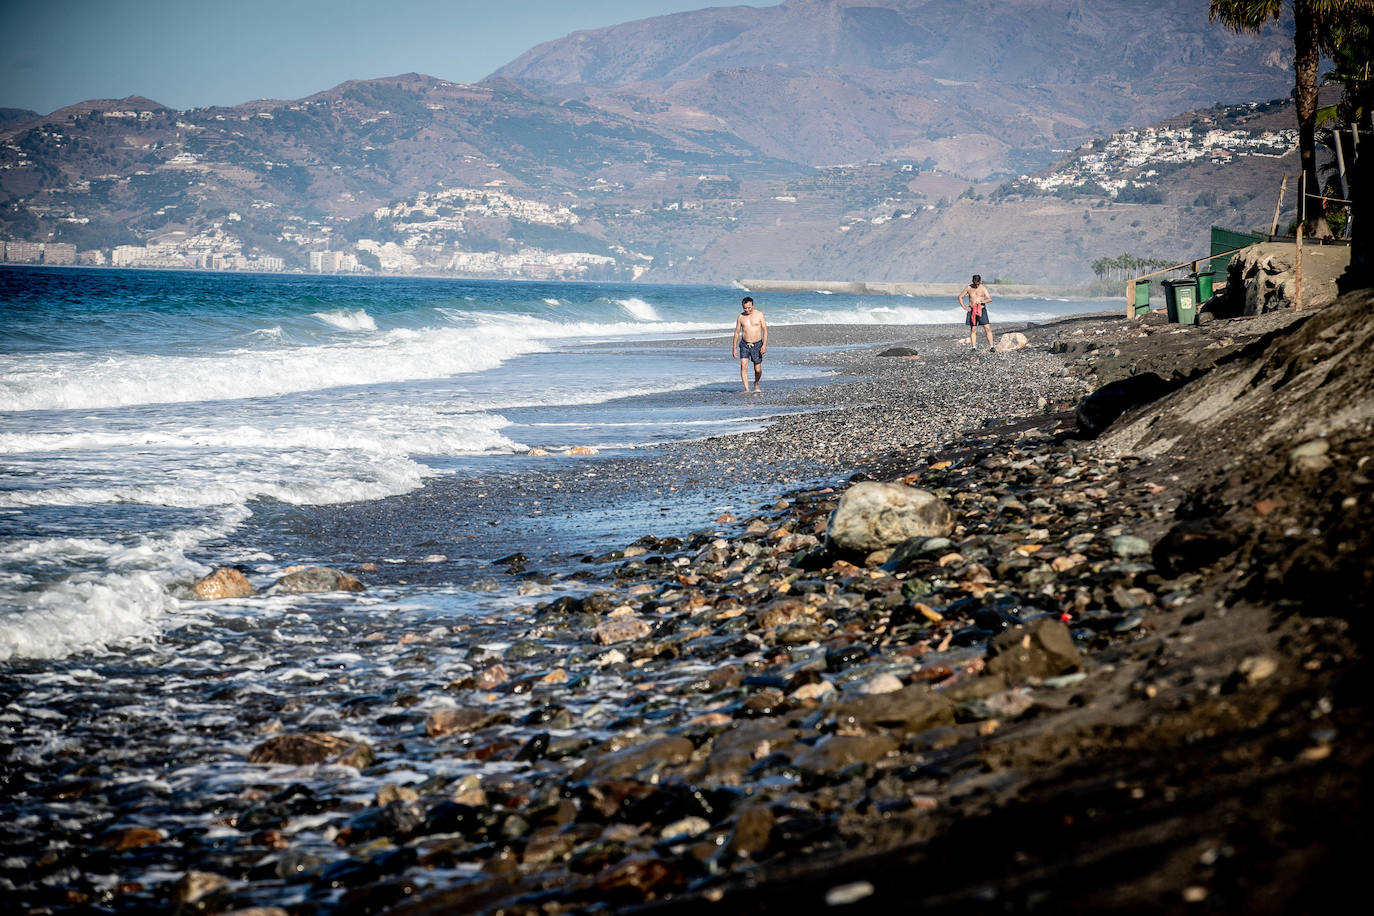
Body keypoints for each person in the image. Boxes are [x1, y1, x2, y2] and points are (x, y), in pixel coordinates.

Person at [732, 296, 768, 391]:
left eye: (749, 307)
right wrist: (734, 348)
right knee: (743, 365)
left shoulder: (759, 314)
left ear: (753, 305)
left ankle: (756, 383)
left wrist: (764, 345)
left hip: (757, 344)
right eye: (745, 308)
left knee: (757, 369)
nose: (747, 310)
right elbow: (736, 332)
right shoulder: (740, 317)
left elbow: (765, 330)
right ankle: (747, 389)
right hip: (744, 344)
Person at [957, 274, 995, 351]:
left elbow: (989, 299)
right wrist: (964, 307)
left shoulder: (983, 288)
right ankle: (974, 347)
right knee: (973, 329)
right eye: (975, 283)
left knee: (987, 328)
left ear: (979, 281)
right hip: (972, 310)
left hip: (981, 310)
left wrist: (982, 301)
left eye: (978, 283)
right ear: (973, 281)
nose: (976, 285)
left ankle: (991, 346)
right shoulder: (969, 287)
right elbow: (960, 297)